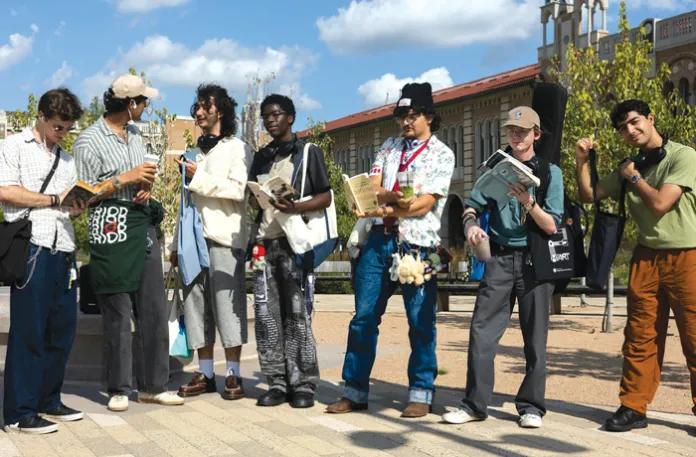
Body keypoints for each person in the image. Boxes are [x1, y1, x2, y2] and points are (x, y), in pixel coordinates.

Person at [326, 82, 455, 418]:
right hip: (379, 241)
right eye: (402, 115)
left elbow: (423, 205)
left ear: (429, 115)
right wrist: (394, 198)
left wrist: (388, 199)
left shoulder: (442, 154)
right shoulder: (389, 146)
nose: (406, 122)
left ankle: (421, 391)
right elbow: (371, 186)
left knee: (421, 321)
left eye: (412, 115)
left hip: (418, 244)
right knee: (363, 319)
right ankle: (353, 391)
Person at [574, 100, 696, 432]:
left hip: (688, 257)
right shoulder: (631, 165)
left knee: (694, 338)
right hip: (646, 258)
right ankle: (633, 407)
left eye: (635, 122)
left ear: (650, 119)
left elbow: (659, 203)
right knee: (640, 337)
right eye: (623, 127)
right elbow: (589, 195)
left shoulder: (682, 156)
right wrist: (582, 161)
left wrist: (634, 177)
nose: (630, 130)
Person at [441, 106, 563, 429]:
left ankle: (531, 406)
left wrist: (529, 202)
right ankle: (474, 404)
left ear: (536, 134)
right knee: (481, 332)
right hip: (498, 258)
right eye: (511, 130)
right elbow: (471, 207)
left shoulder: (551, 173)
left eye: (522, 131)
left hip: (534, 262)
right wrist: (470, 228)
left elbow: (551, 226)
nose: (515, 136)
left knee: (535, 338)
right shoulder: (496, 168)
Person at [73, 74, 183, 412]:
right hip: (109, 231)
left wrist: (144, 186)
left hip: (141, 226)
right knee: (118, 311)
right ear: (130, 104)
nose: (147, 106)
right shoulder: (88, 141)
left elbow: (140, 177)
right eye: (143, 101)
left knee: (152, 307)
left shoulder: (135, 136)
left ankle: (155, 386)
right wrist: (125, 178)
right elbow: (81, 197)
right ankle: (119, 388)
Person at [0, 88, 87, 434]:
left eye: (67, 128)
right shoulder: (14, 146)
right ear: (41, 117)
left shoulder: (66, 159)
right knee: (28, 333)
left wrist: (77, 205)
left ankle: (49, 400)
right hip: (33, 246)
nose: (62, 133)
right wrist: (53, 198)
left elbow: (68, 203)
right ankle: (19, 412)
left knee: (62, 331)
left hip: (64, 248)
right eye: (58, 127)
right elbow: (6, 191)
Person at [248, 94, 331, 409]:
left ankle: (303, 385)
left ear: (291, 117)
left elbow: (325, 196)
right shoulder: (261, 157)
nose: (270, 120)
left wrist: (296, 206)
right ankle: (277, 384)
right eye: (265, 116)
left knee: (297, 314)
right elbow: (256, 205)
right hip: (263, 243)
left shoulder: (308, 152)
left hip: (294, 243)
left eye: (276, 114)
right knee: (266, 316)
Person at [171, 84, 252, 400]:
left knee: (227, 307)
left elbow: (238, 190)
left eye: (206, 106)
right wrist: (175, 244)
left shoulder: (238, 149)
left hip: (224, 239)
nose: (199, 112)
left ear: (221, 110)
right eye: (198, 106)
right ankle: (205, 374)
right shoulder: (194, 153)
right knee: (196, 307)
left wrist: (197, 177)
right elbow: (185, 204)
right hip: (192, 240)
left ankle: (233, 375)